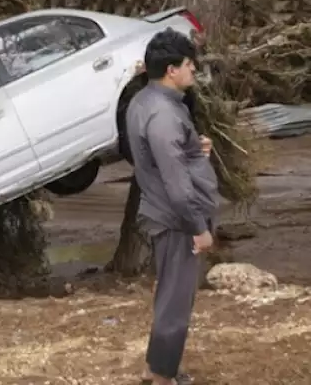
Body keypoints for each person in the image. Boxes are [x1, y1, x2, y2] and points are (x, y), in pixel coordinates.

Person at [124, 28, 221, 385]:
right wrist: (199, 227)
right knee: (175, 302)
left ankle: (158, 367)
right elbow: (176, 183)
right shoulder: (163, 115)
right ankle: (161, 377)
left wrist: (197, 150)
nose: (193, 69)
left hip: (166, 213)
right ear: (171, 70)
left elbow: (167, 156)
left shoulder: (146, 102)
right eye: (188, 64)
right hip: (176, 219)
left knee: (171, 296)